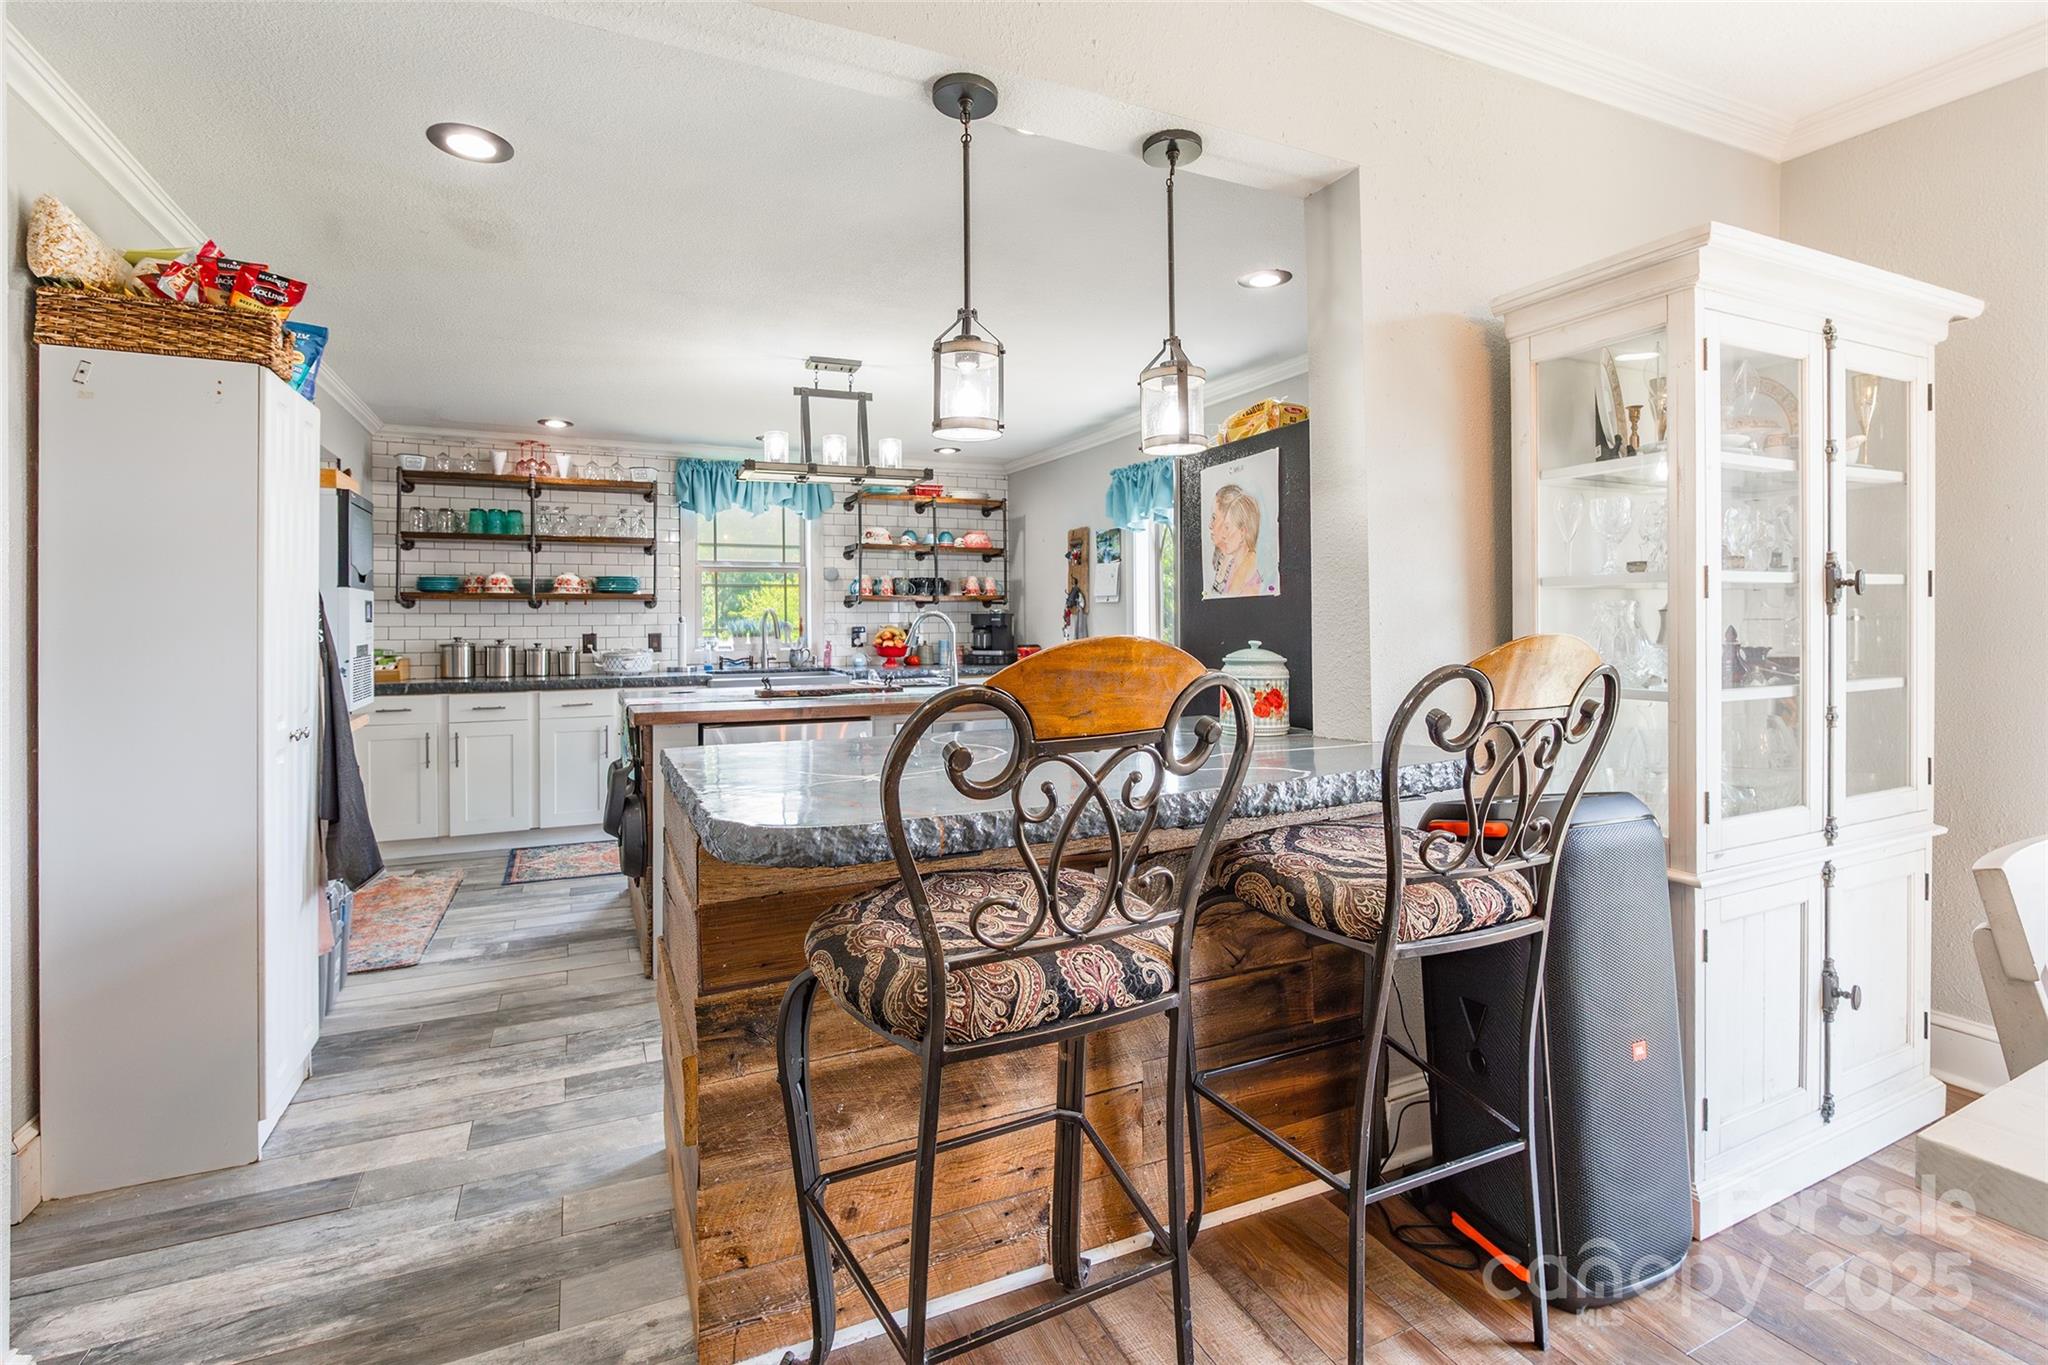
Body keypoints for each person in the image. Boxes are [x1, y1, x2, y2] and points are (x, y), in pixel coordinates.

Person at [1208, 483, 1265, 596]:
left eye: (1227, 527)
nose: (1224, 534)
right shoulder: (1232, 566)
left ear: (1243, 532)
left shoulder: (1249, 575)